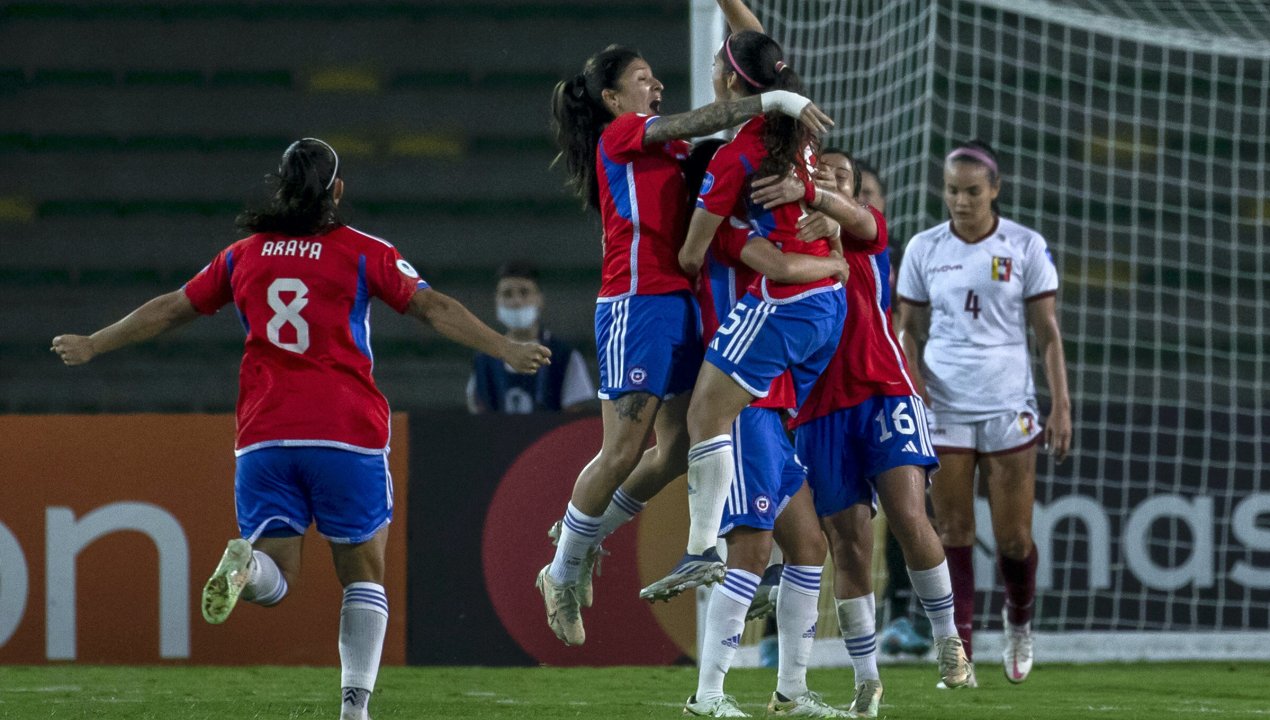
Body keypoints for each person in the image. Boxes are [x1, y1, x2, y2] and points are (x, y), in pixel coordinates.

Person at [50, 138, 551, 720]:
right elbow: (431, 307)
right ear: (337, 190)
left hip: (265, 436)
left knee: (279, 577)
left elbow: (170, 308)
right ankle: (354, 708)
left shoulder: (243, 255)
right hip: (345, 432)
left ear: (281, 188)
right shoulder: (365, 252)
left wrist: (93, 343)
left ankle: (247, 567)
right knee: (362, 575)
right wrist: (501, 347)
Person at [538, 42, 831, 647]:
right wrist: (769, 97)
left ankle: (582, 538)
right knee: (621, 449)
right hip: (637, 303)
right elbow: (703, 119)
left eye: (655, 77)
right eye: (643, 78)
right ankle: (563, 569)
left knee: (674, 451)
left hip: (682, 305)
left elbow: (724, 134)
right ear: (613, 98)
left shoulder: (672, 150)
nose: (657, 86)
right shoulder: (621, 135)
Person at [750, 148, 973, 710]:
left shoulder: (868, 235)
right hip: (819, 411)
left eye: (848, 179)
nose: (837, 183)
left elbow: (857, 217)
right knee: (847, 546)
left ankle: (949, 642)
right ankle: (866, 678)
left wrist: (830, 201)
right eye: (822, 172)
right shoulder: (789, 248)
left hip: (882, 390)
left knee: (907, 514)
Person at [639, 28, 847, 609]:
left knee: (707, 412)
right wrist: (833, 253)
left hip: (784, 307)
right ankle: (772, 574)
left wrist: (718, 226)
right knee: (767, 444)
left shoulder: (734, 157)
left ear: (732, 82)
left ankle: (705, 549)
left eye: (717, 66)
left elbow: (691, 255)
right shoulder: (799, 133)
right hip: (823, 312)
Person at [680, 136, 848, 718]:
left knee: (808, 544)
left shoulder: (751, 226)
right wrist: (835, 262)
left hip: (771, 409)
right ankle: (707, 696)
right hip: (745, 406)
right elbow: (778, 266)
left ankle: (791, 691)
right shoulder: (731, 235)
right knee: (750, 552)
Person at [896, 139, 1072, 685]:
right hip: (945, 404)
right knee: (952, 529)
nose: (961, 201)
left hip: (1008, 405)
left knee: (1015, 538)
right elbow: (908, 329)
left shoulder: (1025, 246)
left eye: (973, 191)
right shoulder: (925, 248)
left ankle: (1019, 623)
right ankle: (960, 652)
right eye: (952, 190)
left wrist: (1060, 403)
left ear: (995, 190)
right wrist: (914, 382)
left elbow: (1047, 334)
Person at [854, 160, 935, 658]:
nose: (861, 198)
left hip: (888, 394)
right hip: (829, 396)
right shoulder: (814, 244)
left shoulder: (898, 256)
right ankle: (779, 631)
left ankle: (914, 620)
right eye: (852, 188)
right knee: (821, 512)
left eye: (869, 192)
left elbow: (906, 327)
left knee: (907, 509)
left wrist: (913, 385)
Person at [466, 259, 595, 414]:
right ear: (497, 301)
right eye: (507, 294)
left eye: (524, 292)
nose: (516, 301)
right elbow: (477, 411)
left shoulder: (564, 356)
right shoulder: (483, 359)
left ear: (539, 299)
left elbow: (573, 419)